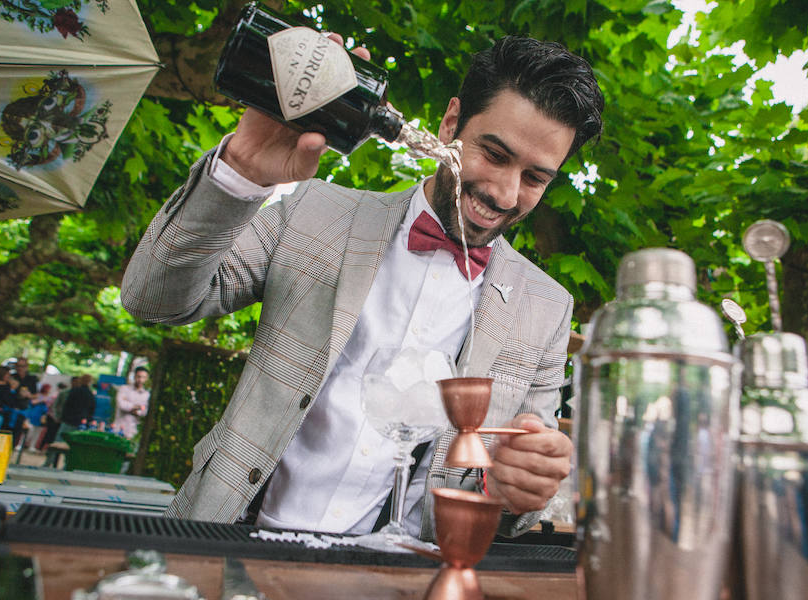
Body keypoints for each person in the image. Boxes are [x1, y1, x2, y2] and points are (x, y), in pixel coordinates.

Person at [122, 33, 603, 540]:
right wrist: (242, 171)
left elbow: (521, 499)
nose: (505, 192)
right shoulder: (313, 212)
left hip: (403, 578)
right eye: (494, 153)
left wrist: (520, 488)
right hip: (230, 542)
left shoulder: (548, 309)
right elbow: (151, 299)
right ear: (450, 122)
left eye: (535, 178)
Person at [112, 366, 150, 440]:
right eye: (138, 376)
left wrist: (131, 407)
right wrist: (139, 407)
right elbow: (121, 405)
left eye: (143, 377)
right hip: (119, 429)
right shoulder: (124, 389)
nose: (140, 380)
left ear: (146, 379)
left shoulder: (147, 395)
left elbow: (145, 412)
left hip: (133, 432)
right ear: (134, 376)